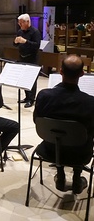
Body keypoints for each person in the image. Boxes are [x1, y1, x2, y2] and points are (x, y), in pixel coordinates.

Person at [34, 55, 94, 194]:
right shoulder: (90, 102)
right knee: (84, 136)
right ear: (82, 73)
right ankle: (77, 178)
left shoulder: (44, 96)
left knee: (60, 135)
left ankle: (60, 176)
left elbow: (36, 121)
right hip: (80, 154)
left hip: (50, 150)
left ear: (60, 71)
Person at [14, 13, 41, 108]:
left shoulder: (35, 32)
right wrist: (15, 42)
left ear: (27, 22)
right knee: (23, 79)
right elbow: (15, 44)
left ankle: (31, 99)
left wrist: (25, 41)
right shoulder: (20, 32)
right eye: (19, 23)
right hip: (22, 57)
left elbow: (37, 45)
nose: (19, 25)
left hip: (32, 58)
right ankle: (26, 97)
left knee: (31, 80)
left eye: (21, 23)